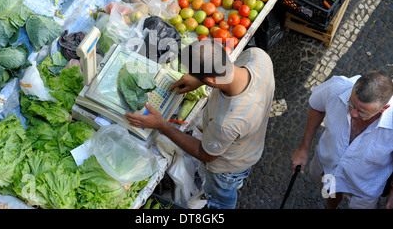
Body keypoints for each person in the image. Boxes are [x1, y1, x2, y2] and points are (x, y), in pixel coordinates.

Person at [125, 39, 275, 209]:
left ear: (211, 81)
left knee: (222, 196)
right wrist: (199, 80)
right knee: (237, 176)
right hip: (251, 146)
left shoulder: (227, 121)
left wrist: (162, 125)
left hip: (227, 167)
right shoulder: (258, 57)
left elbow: (205, 154)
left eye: (196, 75)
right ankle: (237, 181)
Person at [291, 71, 393, 209]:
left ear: (384, 109)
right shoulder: (337, 87)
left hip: (365, 188)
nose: (353, 113)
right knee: (330, 194)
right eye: (351, 104)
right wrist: (304, 148)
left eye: (363, 113)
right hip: (329, 169)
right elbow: (317, 106)